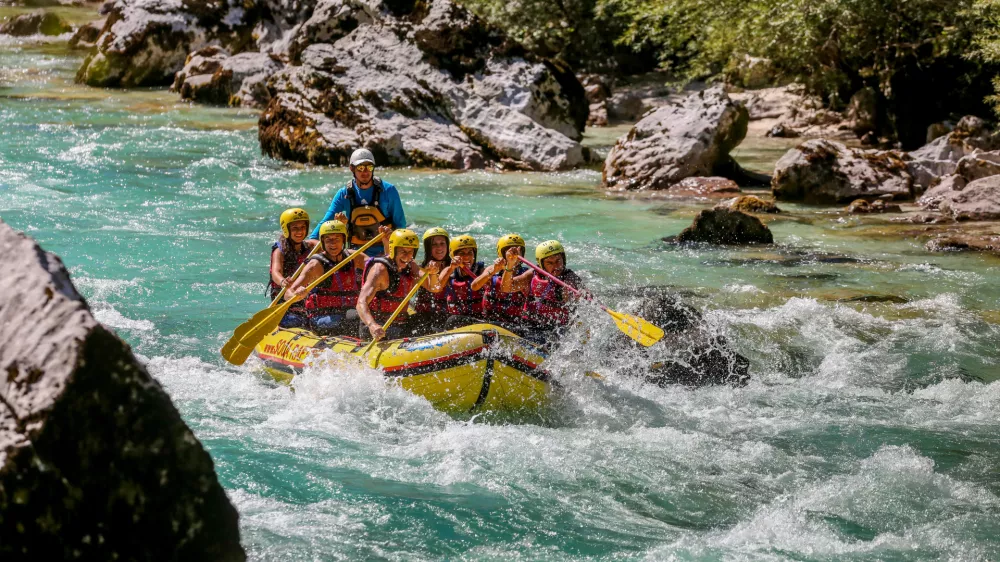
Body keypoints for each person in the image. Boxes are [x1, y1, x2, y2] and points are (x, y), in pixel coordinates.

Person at [309, 148, 406, 257]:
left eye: (369, 167)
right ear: (352, 168)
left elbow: (401, 226)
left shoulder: (389, 191)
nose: (365, 172)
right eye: (360, 168)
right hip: (355, 254)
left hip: (384, 252)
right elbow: (325, 223)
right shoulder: (344, 194)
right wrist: (311, 242)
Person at [285, 220, 367, 336]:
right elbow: (288, 294)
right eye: (328, 240)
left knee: (367, 316)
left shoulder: (354, 257)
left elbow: (380, 268)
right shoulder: (315, 265)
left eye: (337, 239)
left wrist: (386, 243)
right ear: (322, 242)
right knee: (355, 318)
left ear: (344, 240)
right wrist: (297, 294)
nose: (333, 244)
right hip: (322, 317)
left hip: (350, 311)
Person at [356, 229, 440, 341]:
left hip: (400, 324)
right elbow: (361, 302)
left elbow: (433, 287)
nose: (407, 256)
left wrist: (433, 274)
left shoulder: (411, 265)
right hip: (379, 327)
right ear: (393, 250)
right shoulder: (379, 270)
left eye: (411, 252)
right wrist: (372, 325)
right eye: (403, 251)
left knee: (428, 318)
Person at [473, 234, 533, 335]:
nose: (514, 255)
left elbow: (507, 287)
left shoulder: (526, 275)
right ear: (501, 254)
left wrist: (509, 265)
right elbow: (474, 286)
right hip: (488, 323)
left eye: (518, 252)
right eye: (510, 251)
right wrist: (492, 272)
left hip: (513, 326)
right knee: (454, 320)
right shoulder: (493, 269)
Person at [269, 207, 318, 328]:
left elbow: (329, 245)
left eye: (302, 227)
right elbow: (276, 271)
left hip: (304, 293)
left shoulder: (311, 246)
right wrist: (282, 281)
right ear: (287, 229)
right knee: (295, 321)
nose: (300, 231)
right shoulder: (279, 250)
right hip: (284, 295)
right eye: (295, 228)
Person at [522, 240, 585, 332]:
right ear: (541, 264)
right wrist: (509, 267)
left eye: (558, 261)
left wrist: (579, 295)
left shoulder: (570, 278)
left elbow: (585, 295)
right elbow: (507, 287)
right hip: (530, 324)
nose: (556, 266)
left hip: (557, 329)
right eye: (550, 263)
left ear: (563, 259)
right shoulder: (533, 273)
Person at [409, 227, 456, 335]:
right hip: (426, 315)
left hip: (449, 316)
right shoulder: (419, 269)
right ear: (428, 247)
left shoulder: (456, 267)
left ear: (448, 246)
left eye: (442, 243)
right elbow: (434, 288)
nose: (439, 247)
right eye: (434, 244)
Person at [443, 235, 488, 330]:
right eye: (462, 253)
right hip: (455, 321)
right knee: (453, 319)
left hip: (478, 320)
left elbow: (489, 286)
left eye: (470, 253)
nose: (467, 256)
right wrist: (451, 268)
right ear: (454, 255)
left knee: (454, 320)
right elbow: (437, 286)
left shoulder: (481, 270)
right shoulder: (449, 271)